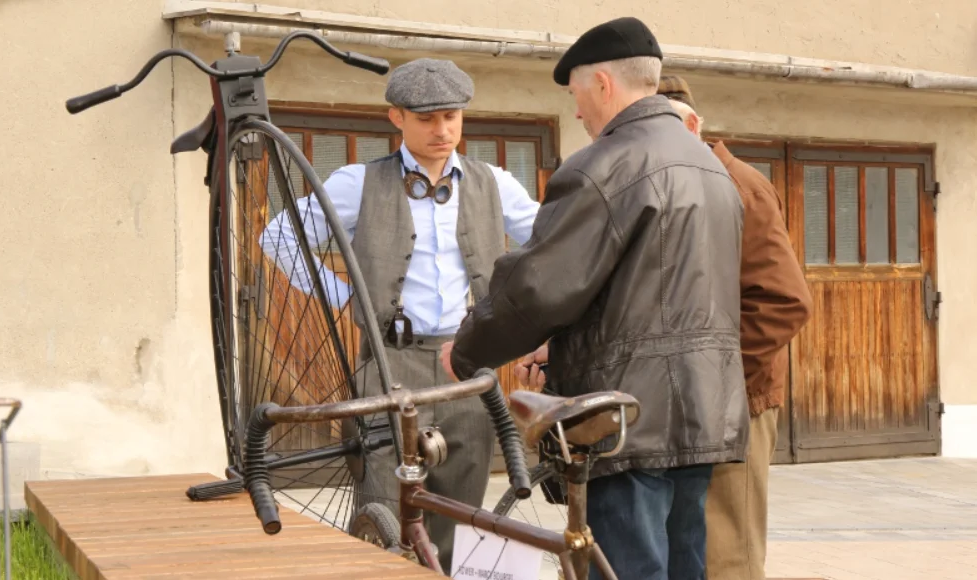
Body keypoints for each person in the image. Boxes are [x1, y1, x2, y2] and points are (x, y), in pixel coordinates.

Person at [439, 17, 750, 580]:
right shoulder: (711, 168)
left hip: (627, 419)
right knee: (686, 566)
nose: (578, 111)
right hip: (705, 410)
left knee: (625, 570)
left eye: (577, 93)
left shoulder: (605, 165)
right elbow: (650, 293)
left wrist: (466, 350)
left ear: (603, 84)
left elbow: (539, 286)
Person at [259, 57, 540, 571]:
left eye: (451, 117)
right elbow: (277, 238)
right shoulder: (357, 183)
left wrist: (518, 317)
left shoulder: (493, 183)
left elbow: (549, 247)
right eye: (428, 118)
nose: (442, 130)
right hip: (389, 363)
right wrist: (349, 299)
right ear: (397, 119)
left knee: (460, 511)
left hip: (466, 362)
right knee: (385, 512)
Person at [658, 75, 812, 580]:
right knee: (691, 549)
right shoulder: (676, 181)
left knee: (730, 555)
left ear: (695, 125)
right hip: (686, 399)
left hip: (737, 399)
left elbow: (784, 302)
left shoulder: (742, 185)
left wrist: (711, 373)